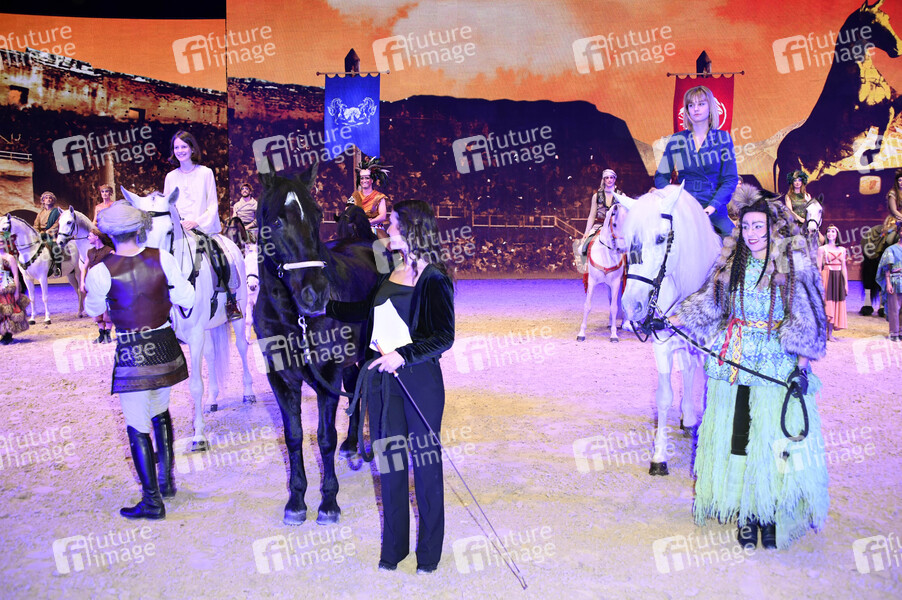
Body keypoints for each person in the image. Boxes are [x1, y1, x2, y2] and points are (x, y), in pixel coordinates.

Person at [673, 183, 828, 550]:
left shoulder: (792, 265)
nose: (752, 233)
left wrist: (801, 368)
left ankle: (769, 514)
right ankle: (747, 513)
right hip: (736, 361)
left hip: (776, 365)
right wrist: (675, 318)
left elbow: (807, 318)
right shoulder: (732, 264)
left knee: (773, 442)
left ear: (772, 227)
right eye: (746, 227)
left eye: (759, 226)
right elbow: (710, 304)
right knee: (739, 440)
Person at [325, 200, 454, 573]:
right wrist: (324, 308)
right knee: (391, 464)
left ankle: (428, 555)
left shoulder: (433, 277)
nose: (388, 230)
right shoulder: (390, 269)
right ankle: (393, 551)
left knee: (425, 470)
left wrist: (403, 355)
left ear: (412, 228)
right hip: (382, 381)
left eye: (393, 224)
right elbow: (366, 311)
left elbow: (444, 336)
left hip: (419, 381)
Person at [85, 201, 195, 520]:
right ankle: (167, 481)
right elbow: (187, 297)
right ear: (139, 229)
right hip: (165, 346)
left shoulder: (101, 271)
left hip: (133, 350)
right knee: (160, 411)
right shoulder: (163, 258)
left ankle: (152, 501)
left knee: (137, 424)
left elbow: (94, 310)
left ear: (109, 234)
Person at [162, 130, 241, 320]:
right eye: (176, 147)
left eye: (184, 146)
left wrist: (196, 222)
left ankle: (231, 302)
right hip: (179, 231)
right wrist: (177, 223)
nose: (180, 150)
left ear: (192, 148)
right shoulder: (170, 177)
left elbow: (212, 204)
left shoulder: (205, 173)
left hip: (203, 229)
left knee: (226, 258)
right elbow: (167, 205)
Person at [654, 86, 739, 236]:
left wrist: (712, 207)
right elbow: (661, 176)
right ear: (686, 110)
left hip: (714, 208)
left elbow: (730, 179)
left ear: (710, 107)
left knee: (735, 241)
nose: (696, 109)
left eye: (701, 104)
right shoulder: (677, 140)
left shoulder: (723, 138)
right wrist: (674, 197)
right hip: (684, 206)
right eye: (691, 105)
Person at [80, 228, 115, 343]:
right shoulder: (90, 252)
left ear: (96, 237)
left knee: (106, 310)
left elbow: (116, 266)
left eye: (90, 236)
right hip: (93, 284)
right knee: (96, 309)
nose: (88, 238)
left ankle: (108, 333)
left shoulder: (109, 251)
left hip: (105, 284)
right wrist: (82, 282)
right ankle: (101, 333)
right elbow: (84, 268)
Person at [817, 225, 848, 341]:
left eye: (833, 231)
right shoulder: (822, 249)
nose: (831, 233)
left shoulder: (842, 250)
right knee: (827, 305)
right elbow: (818, 267)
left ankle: (830, 333)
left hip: (838, 278)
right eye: (829, 231)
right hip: (826, 276)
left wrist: (846, 284)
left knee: (835, 305)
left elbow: (844, 267)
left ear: (837, 234)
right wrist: (819, 282)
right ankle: (822, 333)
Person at [348, 157, 390, 238]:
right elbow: (347, 210)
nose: (364, 181)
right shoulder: (355, 196)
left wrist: (369, 222)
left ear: (372, 180)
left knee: (385, 244)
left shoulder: (379, 197)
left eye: (367, 178)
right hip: (358, 228)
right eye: (362, 178)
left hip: (375, 227)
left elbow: (383, 216)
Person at [0, 232, 29, 344]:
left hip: (6, 286)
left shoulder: (10, 257)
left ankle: (7, 334)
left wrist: (17, 291)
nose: (0, 243)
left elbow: (16, 275)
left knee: (7, 310)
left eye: (1, 241)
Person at [877, 220, 902, 341]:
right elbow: (887, 268)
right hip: (896, 281)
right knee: (894, 309)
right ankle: (894, 332)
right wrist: (888, 283)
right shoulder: (891, 249)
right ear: (899, 232)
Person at [34, 191, 63, 277]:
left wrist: (48, 231)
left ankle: (58, 268)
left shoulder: (57, 212)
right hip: (41, 234)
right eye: (46, 198)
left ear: (53, 200)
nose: (48, 199)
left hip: (52, 235)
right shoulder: (40, 213)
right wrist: (37, 232)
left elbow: (57, 224)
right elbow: (36, 225)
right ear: (43, 200)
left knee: (55, 247)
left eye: (50, 198)